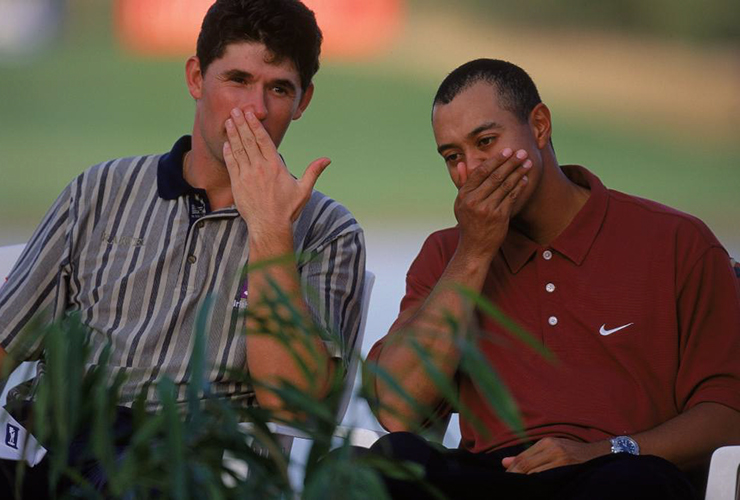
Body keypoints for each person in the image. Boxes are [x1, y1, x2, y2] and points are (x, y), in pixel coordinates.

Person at [0, 0, 365, 495]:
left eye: (278, 88)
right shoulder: (102, 189)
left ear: (303, 102)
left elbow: (295, 405)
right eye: (237, 79)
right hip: (59, 442)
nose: (255, 109)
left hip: (191, 462)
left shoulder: (329, 230)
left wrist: (270, 231)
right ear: (197, 78)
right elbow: (6, 341)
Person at [366, 59, 740, 499]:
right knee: (373, 466)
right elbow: (396, 409)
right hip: (492, 475)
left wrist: (605, 451)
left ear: (539, 126)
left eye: (486, 141)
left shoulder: (677, 241)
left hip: (620, 470)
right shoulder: (449, 254)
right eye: (453, 157)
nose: (471, 171)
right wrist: (475, 251)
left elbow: (728, 414)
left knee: (632, 486)